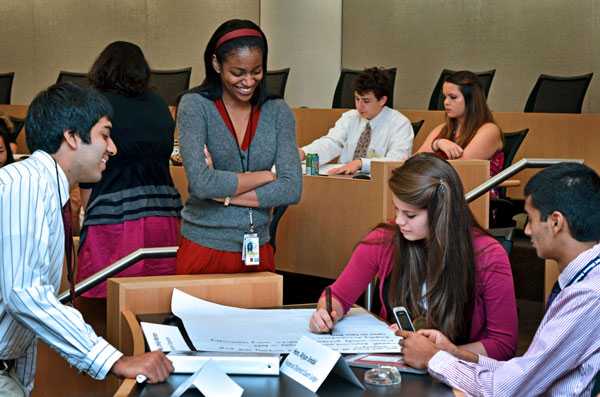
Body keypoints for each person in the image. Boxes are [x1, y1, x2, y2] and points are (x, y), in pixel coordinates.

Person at [0, 83, 173, 396]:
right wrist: (115, 361)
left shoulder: (44, 187)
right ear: (71, 136)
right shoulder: (26, 183)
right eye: (105, 134)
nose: (113, 148)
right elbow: (24, 295)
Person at [399, 162, 600, 396]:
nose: (526, 231)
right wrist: (452, 353)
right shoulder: (586, 280)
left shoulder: (589, 295)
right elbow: (526, 372)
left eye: (530, 219)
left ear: (555, 222)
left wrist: (433, 359)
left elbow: (507, 389)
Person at [309, 153, 518, 361]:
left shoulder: (488, 255)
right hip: (395, 368)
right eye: (396, 209)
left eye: (410, 215)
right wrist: (325, 313)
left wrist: (443, 354)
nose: (399, 221)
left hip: (461, 376)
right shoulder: (384, 238)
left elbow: (503, 345)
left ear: (441, 214)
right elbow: (337, 296)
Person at [175, 19, 302, 274]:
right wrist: (266, 177)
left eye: (256, 71)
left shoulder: (278, 111)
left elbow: (291, 188)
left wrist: (221, 193)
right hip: (204, 246)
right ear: (216, 64)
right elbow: (200, 183)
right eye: (238, 72)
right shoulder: (195, 106)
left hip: (259, 248)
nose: (248, 81)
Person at [76, 41, 182, 298]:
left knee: (105, 306)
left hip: (113, 217)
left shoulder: (97, 107)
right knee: (157, 300)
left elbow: (88, 169)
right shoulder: (159, 105)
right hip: (165, 215)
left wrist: (86, 215)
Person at [300, 67, 414, 175]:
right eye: (357, 99)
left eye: (366, 101)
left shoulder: (400, 124)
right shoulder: (349, 118)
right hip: (344, 179)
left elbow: (397, 160)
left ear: (382, 100)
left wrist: (361, 163)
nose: (360, 106)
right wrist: (304, 152)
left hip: (376, 183)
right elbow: (332, 143)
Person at [417, 70, 504, 178]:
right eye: (445, 97)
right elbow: (413, 164)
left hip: (474, 192)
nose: (446, 102)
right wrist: (437, 144)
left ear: (471, 100)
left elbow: (460, 169)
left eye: (453, 97)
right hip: (439, 189)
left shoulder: (489, 130)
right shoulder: (442, 128)